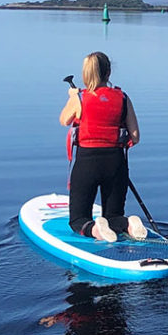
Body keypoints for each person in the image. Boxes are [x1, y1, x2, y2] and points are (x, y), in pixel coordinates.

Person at [59, 51, 147, 242]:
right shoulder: (123, 97)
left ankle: (96, 230)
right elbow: (135, 137)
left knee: (78, 219)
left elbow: (64, 120)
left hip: (87, 163)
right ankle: (128, 224)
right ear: (108, 73)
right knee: (114, 216)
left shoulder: (79, 97)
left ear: (85, 75)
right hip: (116, 163)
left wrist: (72, 97)